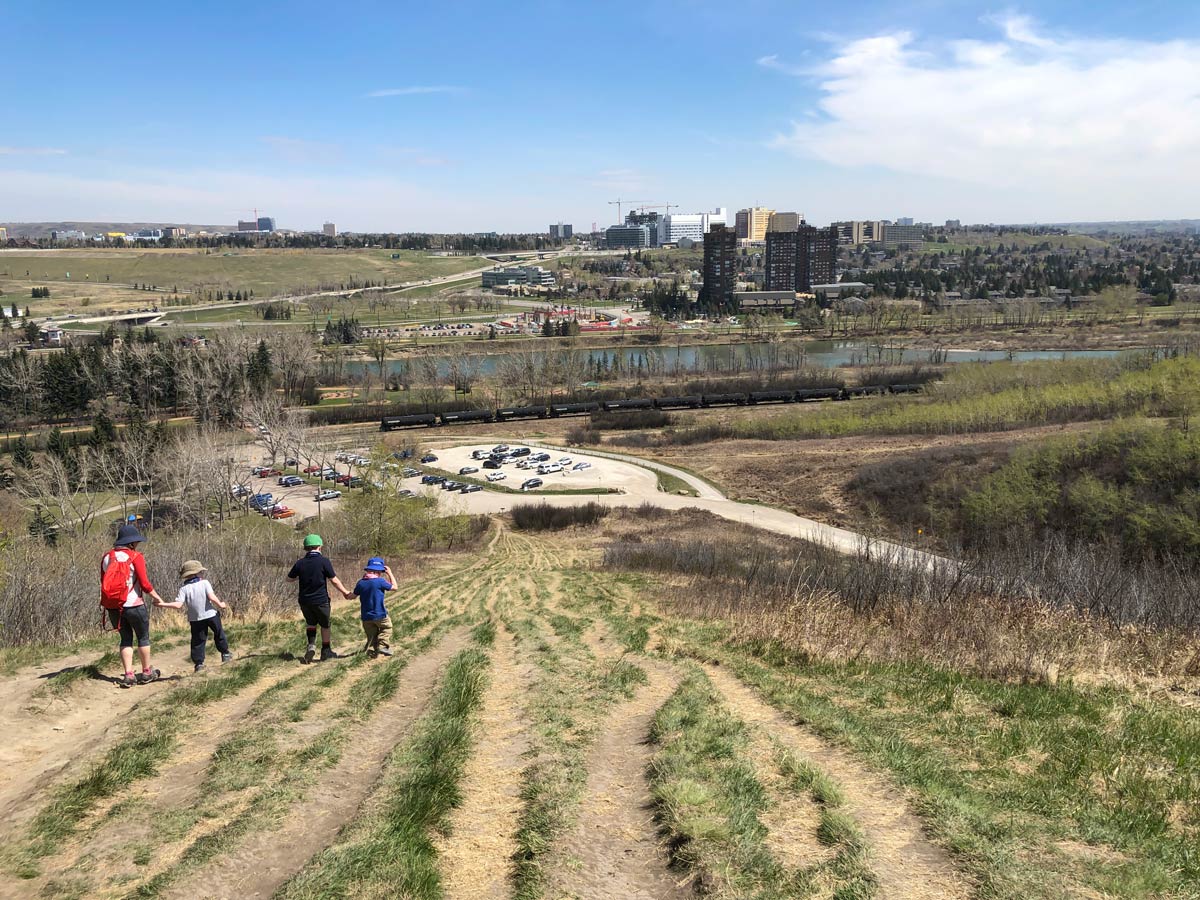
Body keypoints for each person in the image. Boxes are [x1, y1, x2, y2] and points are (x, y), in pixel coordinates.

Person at [100, 523, 166, 688]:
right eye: (136, 542)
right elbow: (144, 584)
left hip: (114, 607)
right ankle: (146, 672)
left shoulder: (107, 557)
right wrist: (157, 598)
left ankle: (128, 675)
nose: (137, 544)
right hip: (134, 605)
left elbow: (104, 582)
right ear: (131, 543)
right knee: (143, 637)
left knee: (125, 639)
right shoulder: (136, 557)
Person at [286, 534, 352, 663]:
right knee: (325, 624)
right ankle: (326, 651)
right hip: (321, 600)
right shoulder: (324, 561)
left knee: (311, 623)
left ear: (305, 548)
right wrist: (345, 592)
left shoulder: (300, 563)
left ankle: (311, 645)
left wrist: (300, 575)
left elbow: (288, 579)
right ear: (320, 546)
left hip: (304, 601)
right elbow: (334, 580)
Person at [158, 560, 232, 673]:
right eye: (201, 572)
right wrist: (221, 605)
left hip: (195, 619)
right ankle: (225, 653)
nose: (202, 574)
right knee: (219, 633)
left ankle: (199, 664)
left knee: (198, 641)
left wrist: (163, 604)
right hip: (211, 614)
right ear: (195, 573)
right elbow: (212, 597)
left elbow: (178, 605)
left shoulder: (183, 589)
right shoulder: (205, 583)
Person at [353, 557, 396, 658]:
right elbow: (395, 587)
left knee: (371, 636)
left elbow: (353, 596)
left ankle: (373, 649)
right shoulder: (380, 581)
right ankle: (382, 646)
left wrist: (346, 594)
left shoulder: (361, 583)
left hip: (366, 616)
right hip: (380, 614)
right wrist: (390, 573)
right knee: (387, 628)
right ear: (378, 571)